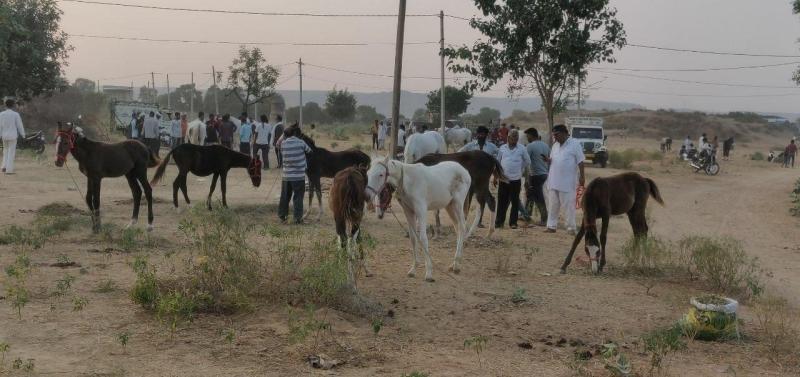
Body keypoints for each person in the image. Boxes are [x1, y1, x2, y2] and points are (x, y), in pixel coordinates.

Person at [545, 124, 585, 234]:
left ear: (564, 133)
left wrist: (582, 176)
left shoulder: (575, 144)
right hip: (553, 180)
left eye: (556, 135)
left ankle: (571, 228)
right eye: (554, 135)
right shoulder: (555, 145)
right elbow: (553, 160)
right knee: (552, 205)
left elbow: (580, 161)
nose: (555, 137)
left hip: (567, 182)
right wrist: (548, 160)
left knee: (569, 206)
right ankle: (551, 226)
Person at [493, 129, 530, 229]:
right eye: (513, 137)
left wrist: (520, 168)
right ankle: (499, 222)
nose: (515, 139)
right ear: (508, 138)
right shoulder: (502, 148)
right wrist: (495, 177)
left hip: (516, 180)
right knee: (502, 202)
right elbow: (498, 163)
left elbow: (527, 161)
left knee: (514, 202)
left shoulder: (522, 148)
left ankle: (513, 223)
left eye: (516, 137)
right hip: (503, 179)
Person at [278, 126, 312, 224]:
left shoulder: (283, 144)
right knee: (298, 197)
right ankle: (297, 219)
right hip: (298, 176)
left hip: (286, 176)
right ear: (295, 133)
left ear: (285, 135)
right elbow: (309, 151)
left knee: (284, 197)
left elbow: (279, 147)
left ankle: (282, 216)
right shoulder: (301, 142)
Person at [524, 128, 550, 226]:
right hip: (544, 174)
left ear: (531, 135)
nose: (527, 138)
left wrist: (526, 179)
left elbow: (526, 162)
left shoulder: (530, 146)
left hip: (535, 175)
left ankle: (544, 218)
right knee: (530, 195)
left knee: (538, 197)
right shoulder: (546, 145)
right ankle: (526, 214)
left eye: (527, 136)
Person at [0, 99, 26, 174]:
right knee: (11, 152)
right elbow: (19, 126)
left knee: (5, 151)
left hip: (4, 136)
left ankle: (3, 166)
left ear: (5, 105)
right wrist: (23, 135)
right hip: (12, 136)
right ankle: (9, 170)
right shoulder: (15, 114)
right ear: (13, 105)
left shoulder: (1, 114)